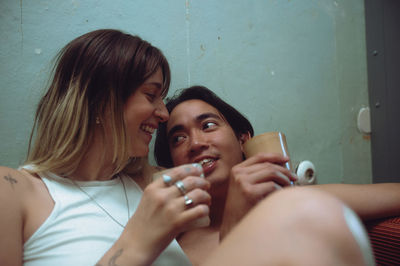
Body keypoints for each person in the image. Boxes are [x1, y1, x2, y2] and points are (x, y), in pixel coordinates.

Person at [0, 29, 212, 266]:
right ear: (99, 101)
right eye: (151, 95)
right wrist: (137, 244)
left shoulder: (157, 183)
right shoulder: (12, 192)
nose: (164, 114)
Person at [154, 85, 400, 265]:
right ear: (172, 164)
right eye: (178, 139)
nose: (195, 143)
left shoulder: (291, 203)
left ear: (243, 140)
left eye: (208, 125)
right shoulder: (171, 241)